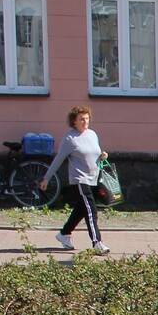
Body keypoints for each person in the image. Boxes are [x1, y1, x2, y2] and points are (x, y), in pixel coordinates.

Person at [41, 105, 108, 254]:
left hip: (94, 179)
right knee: (91, 211)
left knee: (81, 210)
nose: (85, 122)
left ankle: (64, 234)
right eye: (82, 119)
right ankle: (97, 243)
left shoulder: (92, 134)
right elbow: (58, 159)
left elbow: (94, 154)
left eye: (87, 118)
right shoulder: (70, 139)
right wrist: (46, 178)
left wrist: (102, 156)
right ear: (74, 121)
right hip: (79, 180)